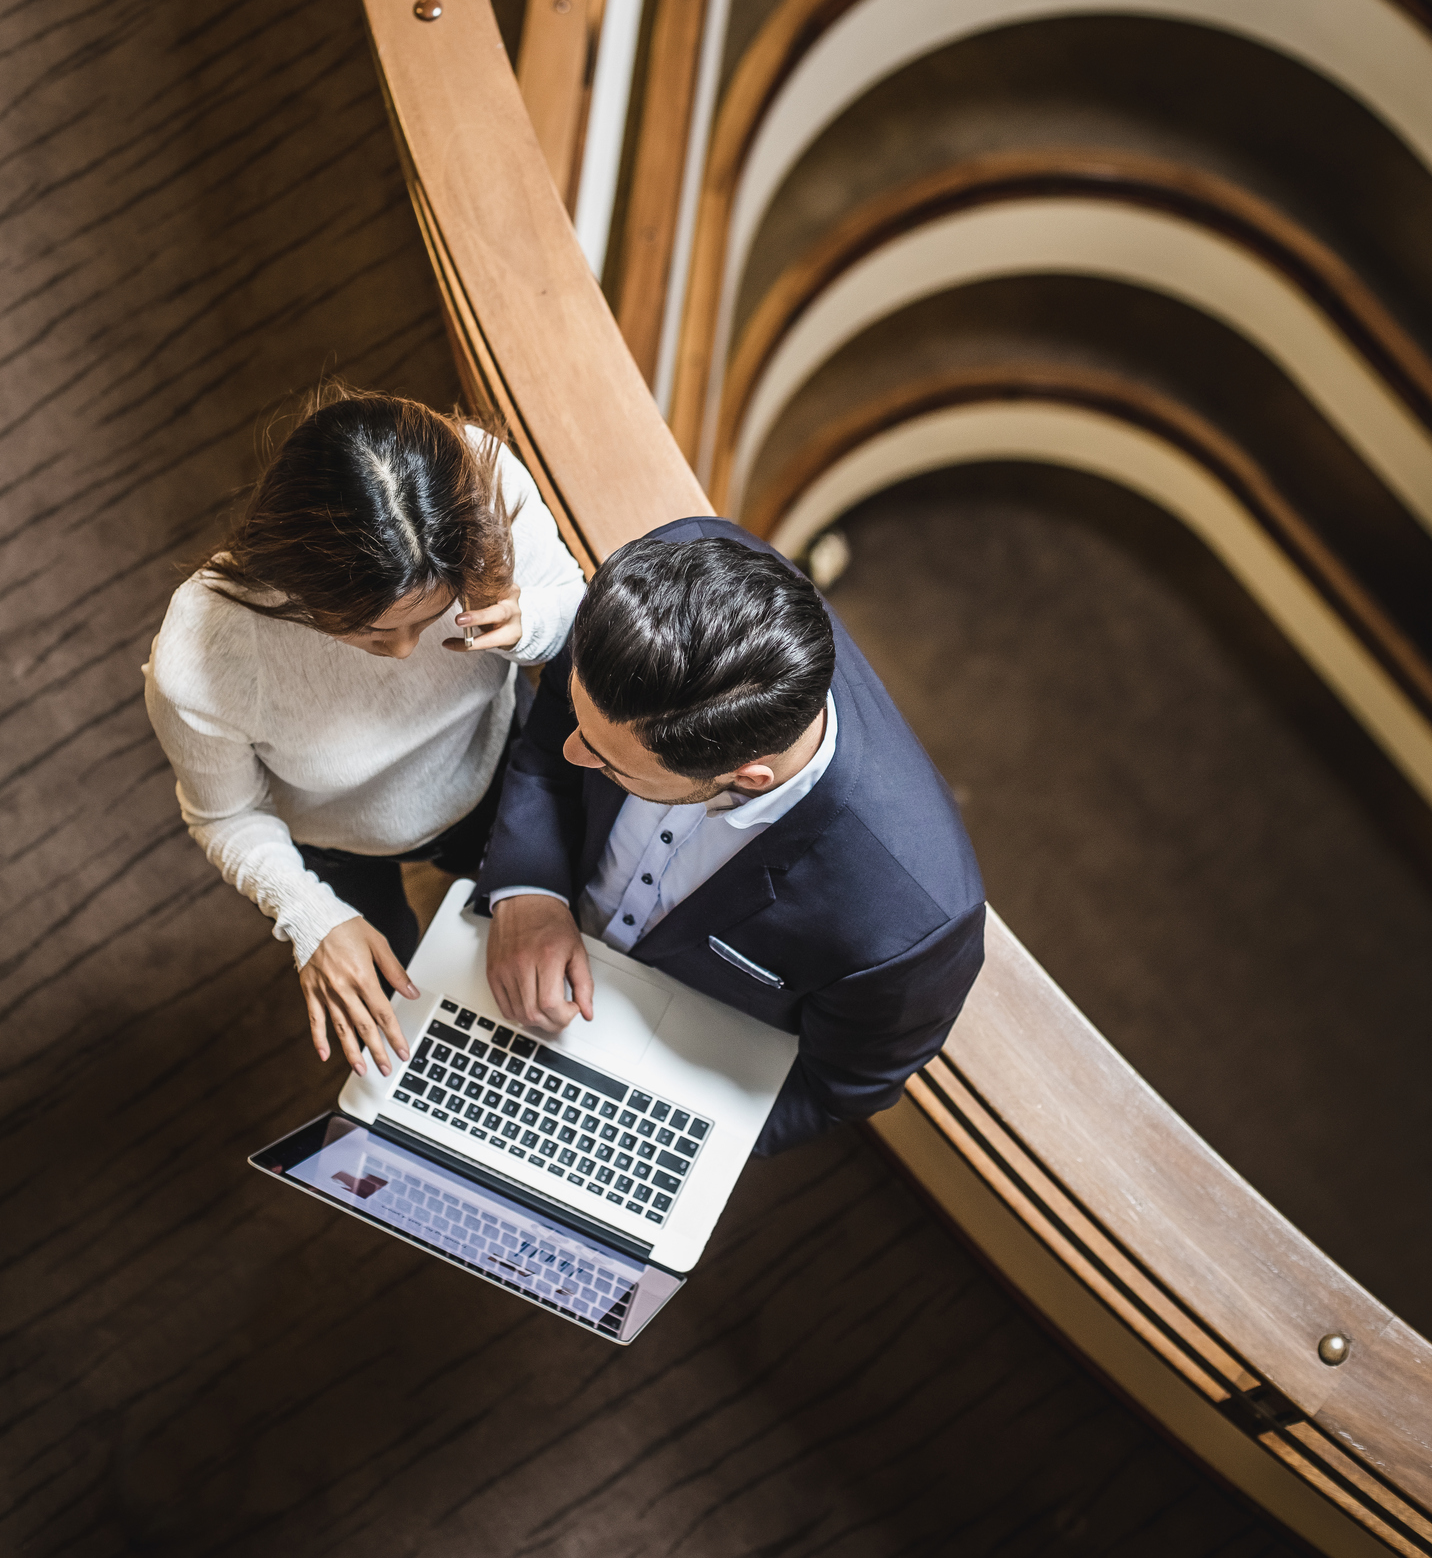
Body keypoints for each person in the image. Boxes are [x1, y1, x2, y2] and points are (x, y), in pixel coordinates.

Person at [478, 517, 986, 1155]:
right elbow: (554, 736)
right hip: (507, 946)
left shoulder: (912, 923)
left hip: (665, 1090)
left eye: (613, 767)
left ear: (745, 777)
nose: (575, 753)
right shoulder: (652, 590)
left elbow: (840, 1086)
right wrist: (529, 891)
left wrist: (665, 1147)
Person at [144, 386, 584, 1084]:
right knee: (391, 1024)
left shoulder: (479, 483)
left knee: (563, 945)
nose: (409, 652)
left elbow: (569, 597)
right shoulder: (202, 658)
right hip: (338, 839)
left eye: (429, 619)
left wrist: (533, 621)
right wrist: (309, 915)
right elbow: (223, 812)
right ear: (296, 584)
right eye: (375, 633)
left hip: (489, 761)